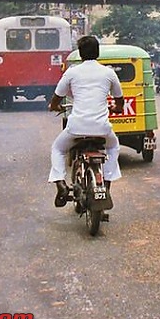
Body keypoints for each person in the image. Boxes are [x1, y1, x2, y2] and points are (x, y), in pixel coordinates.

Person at [48, 36, 125, 207]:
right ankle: (106, 185)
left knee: (58, 149)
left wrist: (54, 107)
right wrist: (116, 109)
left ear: (80, 54)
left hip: (77, 128)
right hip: (102, 129)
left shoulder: (72, 72)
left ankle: (60, 183)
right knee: (113, 147)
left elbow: (56, 98)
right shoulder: (108, 73)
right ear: (97, 52)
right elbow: (120, 100)